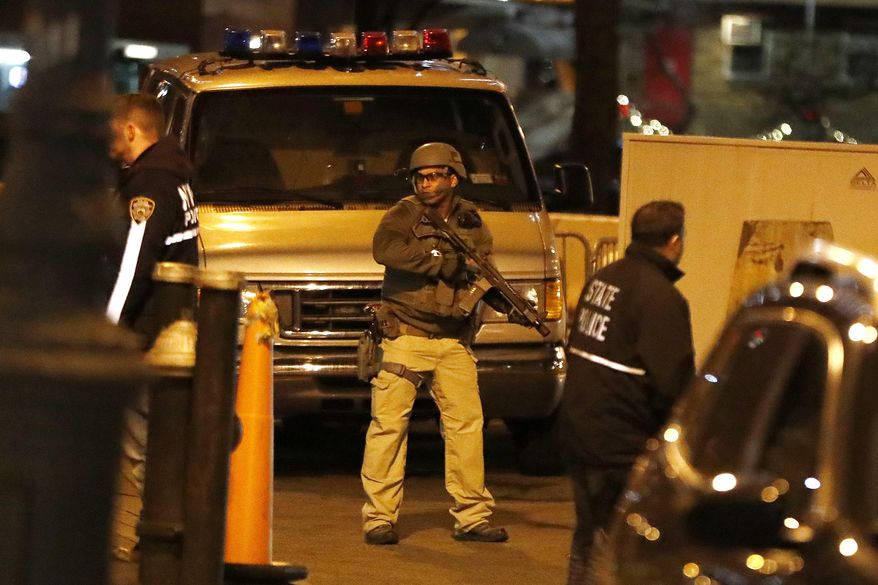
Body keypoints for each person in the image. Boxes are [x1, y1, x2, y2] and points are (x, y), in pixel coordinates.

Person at [361, 142, 523, 545]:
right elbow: (386, 250)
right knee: (388, 428)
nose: (427, 183)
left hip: (452, 339)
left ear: (453, 178)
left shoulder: (470, 221)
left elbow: (485, 269)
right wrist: (444, 263)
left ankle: (472, 516)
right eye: (421, 176)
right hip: (406, 335)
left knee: (467, 427)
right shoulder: (404, 214)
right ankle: (378, 518)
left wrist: (511, 305)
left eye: (435, 176)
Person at [559, 200, 695, 584]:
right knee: (633, 548)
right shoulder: (661, 298)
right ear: (674, 241)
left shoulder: (604, 279)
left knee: (589, 534)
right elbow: (674, 382)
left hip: (579, 429)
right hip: (619, 443)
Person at [106, 93, 199, 560]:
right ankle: (165, 535)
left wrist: (106, 331)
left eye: (111, 130)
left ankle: (160, 540)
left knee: (144, 446)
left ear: (130, 130)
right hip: (168, 330)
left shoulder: (151, 184)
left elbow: (132, 265)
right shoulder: (174, 178)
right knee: (158, 441)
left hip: (143, 336)